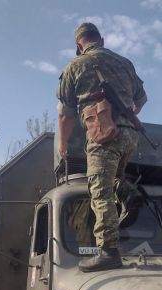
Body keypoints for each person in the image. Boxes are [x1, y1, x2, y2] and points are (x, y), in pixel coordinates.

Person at [57, 22, 147, 272]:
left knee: (100, 191)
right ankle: (129, 193)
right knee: (113, 177)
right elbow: (141, 100)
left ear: (79, 45)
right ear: (102, 40)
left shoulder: (75, 66)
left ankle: (108, 251)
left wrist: (63, 144)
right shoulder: (125, 63)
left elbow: (65, 114)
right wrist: (125, 114)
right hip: (130, 135)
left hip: (103, 135)